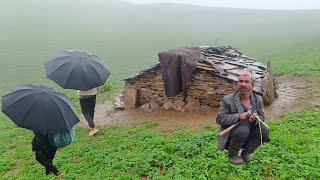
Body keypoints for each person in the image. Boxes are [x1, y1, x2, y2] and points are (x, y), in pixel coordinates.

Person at [216, 71, 270, 164]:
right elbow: (220, 118)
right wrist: (238, 116)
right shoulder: (228, 100)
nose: (243, 84)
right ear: (237, 84)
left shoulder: (258, 99)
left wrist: (256, 119)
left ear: (252, 85)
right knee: (243, 129)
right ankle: (232, 155)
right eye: (240, 81)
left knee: (264, 130)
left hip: (250, 130)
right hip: (234, 132)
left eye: (246, 81)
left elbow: (262, 116)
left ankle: (246, 152)